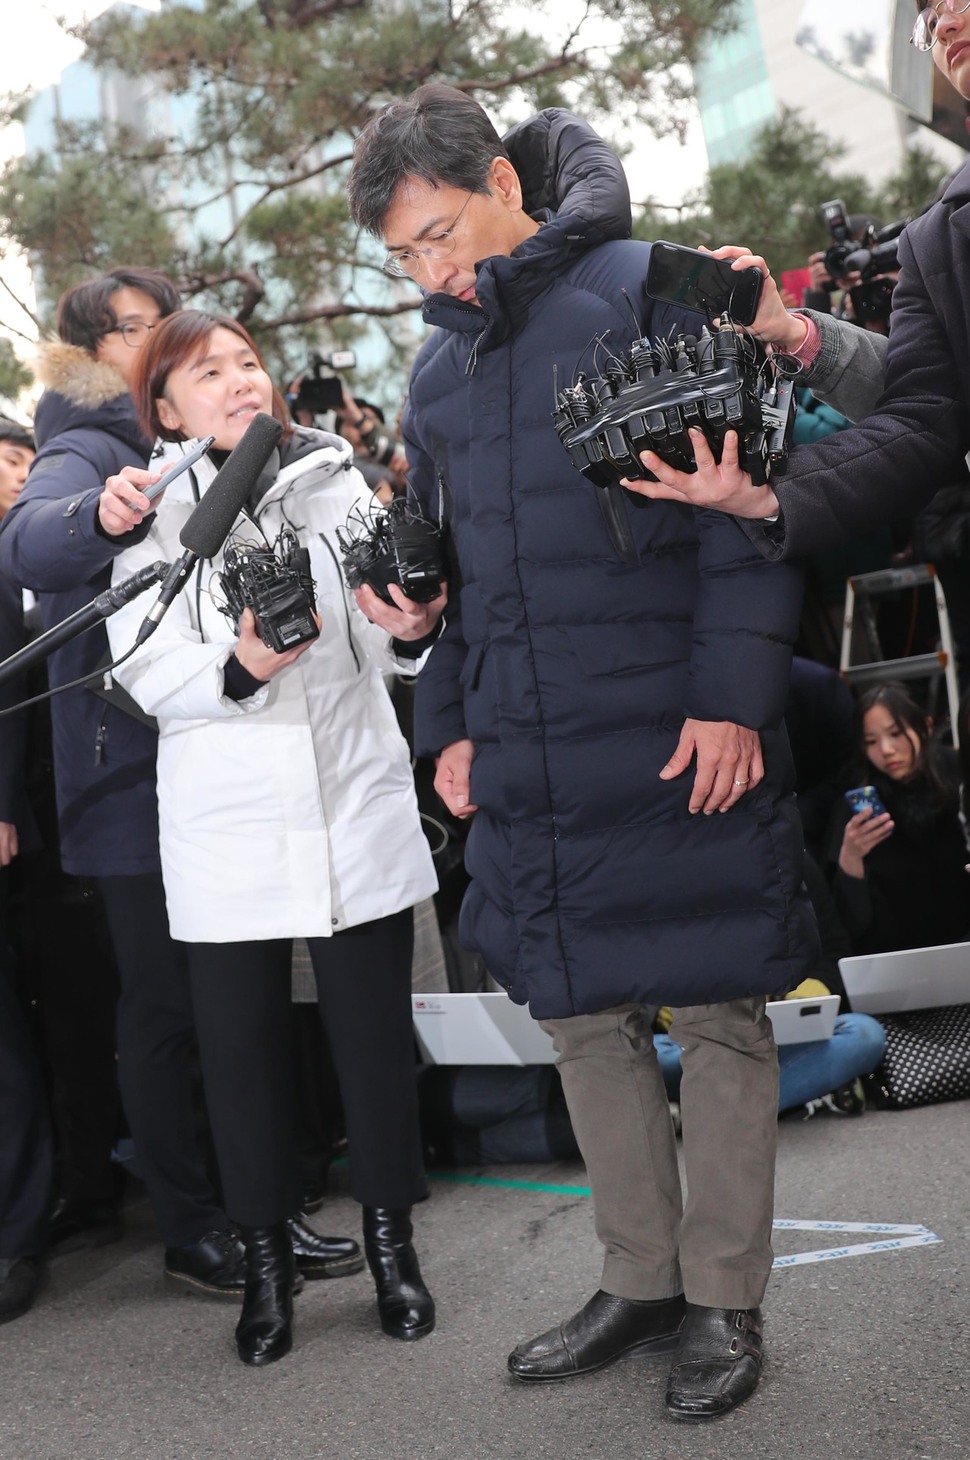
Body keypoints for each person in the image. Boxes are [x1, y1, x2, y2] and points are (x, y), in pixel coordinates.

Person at [347, 85, 818, 1423]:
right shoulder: (438, 370)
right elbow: (434, 572)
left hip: (678, 720)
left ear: (503, 180)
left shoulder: (649, 288)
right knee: (575, 1011)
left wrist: (734, 696)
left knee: (718, 1006)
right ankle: (639, 1279)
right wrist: (446, 727)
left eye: (440, 234)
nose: (431, 271)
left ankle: (724, 1299)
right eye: (404, 257)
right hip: (528, 741)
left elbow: (744, 512)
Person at [103, 309, 441, 1366]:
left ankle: (395, 1248)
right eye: (209, 372)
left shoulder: (335, 479)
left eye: (248, 363)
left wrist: (416, 635)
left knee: (374, 1048)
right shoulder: (147, 517)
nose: (240, 381)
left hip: (352, 802)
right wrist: (239, 669)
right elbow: (141, 666)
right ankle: (264, 1267)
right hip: (230, 828)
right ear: (164, 406)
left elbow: (387, 647)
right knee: (240, 1060)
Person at [0, 268, 258, 1295]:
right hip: (124, 786)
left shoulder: (169, 440)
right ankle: (193, 1226)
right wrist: (101, 519)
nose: (169, 342)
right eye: (150, 329)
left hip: (193, 766)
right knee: (162, 1006)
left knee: (215, 1003)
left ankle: (252, 1211)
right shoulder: (84, 448)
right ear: (102, 348)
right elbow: (36, 534)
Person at [616, 3, 970, 565]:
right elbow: (925, 413)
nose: (945, 24)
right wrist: (790, 334)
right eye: (930, 14)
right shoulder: (934, 242)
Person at [828, 682, 970, 954]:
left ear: (925, 727)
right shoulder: (858, 803)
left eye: (895, 733)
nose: (886, 749)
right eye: (870, 741)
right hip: (893, 955)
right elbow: (850, 922)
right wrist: (850, 857)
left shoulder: (957, 776)